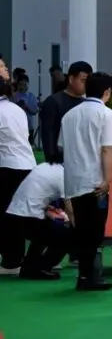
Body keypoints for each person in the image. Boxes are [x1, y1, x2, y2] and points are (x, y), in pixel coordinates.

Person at [60, 71, 112, 291]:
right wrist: (107, 179)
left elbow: (62, 146)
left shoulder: (69, 115)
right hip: (95, 181)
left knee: (82, 229)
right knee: (95, 232)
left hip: (74, 180)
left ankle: (85, 276)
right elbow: (107, 149)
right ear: (107, 92)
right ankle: (90, 277)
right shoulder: (107, 115)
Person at [2, 162, 71, 280]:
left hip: (12, 217)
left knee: (44, 229)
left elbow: (33, 194)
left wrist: (46, 208)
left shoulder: (43, 166)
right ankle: (41, 268)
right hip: (27, 219)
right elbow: (70, 208)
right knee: (66, 234)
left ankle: (29, 267)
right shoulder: (65, 176)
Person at [0, 58, 37, 271]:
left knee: (7, 215)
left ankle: (12, 260)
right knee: (23, 214)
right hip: (26, 164)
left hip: (7, 166)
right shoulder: (16, 109)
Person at [40, 61, 92, 165]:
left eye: (88, 81)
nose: (86, 85)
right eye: (83, 80)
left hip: (83, 160)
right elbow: (48, 134)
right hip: (60, 160)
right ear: (71, 79)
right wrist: (52, 160)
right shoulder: (53, 102)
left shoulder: (86, 103)